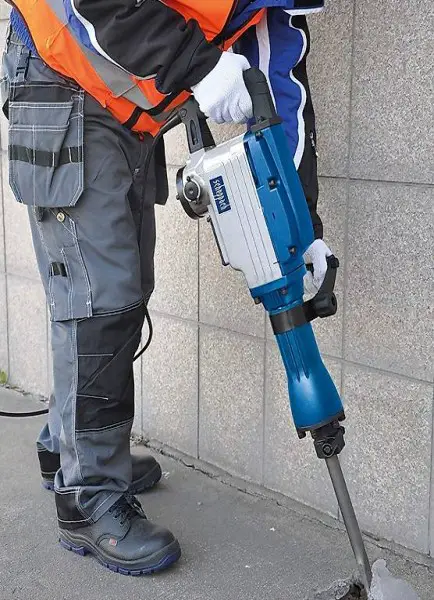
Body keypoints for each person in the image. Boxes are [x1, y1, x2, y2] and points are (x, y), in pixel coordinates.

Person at [1, 0, 330, 576]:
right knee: (101, 298)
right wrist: (198, 65)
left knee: (127, 289)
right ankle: (89, 495)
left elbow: (278, 83)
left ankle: (69, 446)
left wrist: (303, 228)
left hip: (128, 103)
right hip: (61, 72)